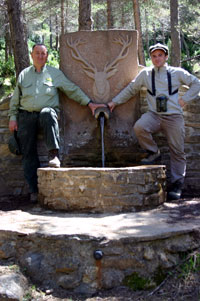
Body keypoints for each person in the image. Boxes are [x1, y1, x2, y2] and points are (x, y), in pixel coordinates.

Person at [9, 43, 104, 203]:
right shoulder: (24, 74)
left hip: (46, 114)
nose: (40, 56)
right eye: (37, 53)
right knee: (27, 153)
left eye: (43, 54)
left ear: (46, 56)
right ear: (32, 55)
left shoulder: (54, 73)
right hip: (26, 116)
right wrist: (12, 117)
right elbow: (15, 99)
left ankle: (54, 155)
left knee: (47, 113)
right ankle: (34, 190)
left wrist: (89, 103)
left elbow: (71, 89)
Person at [108, 43, 200, 201]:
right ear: (151, 58)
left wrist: (184, 100)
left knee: (177, 151)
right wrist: (114, 102)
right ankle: (153, 152)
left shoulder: (177, 73)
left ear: (166, 57)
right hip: (154, 115)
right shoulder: (145, 74)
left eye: (160, 55)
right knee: (140, 127)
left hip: (173, 116)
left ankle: (177, 184)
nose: (157, 59)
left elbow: (196, 83)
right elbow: (131, 89)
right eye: (154, 56)